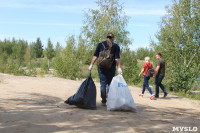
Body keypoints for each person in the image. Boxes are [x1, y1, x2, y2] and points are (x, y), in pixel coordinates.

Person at [88, 32, 122, 106]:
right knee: (110, 84)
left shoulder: (100, 45)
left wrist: (91, 64)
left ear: (106, 37)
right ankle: (109, 100)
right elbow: (117, 59)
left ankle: (103, 100)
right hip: (111, 67)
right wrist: (119, 68)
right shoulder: (115, 46)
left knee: (103, 83)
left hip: (101, 67)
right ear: (113, 38)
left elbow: (95, 56)